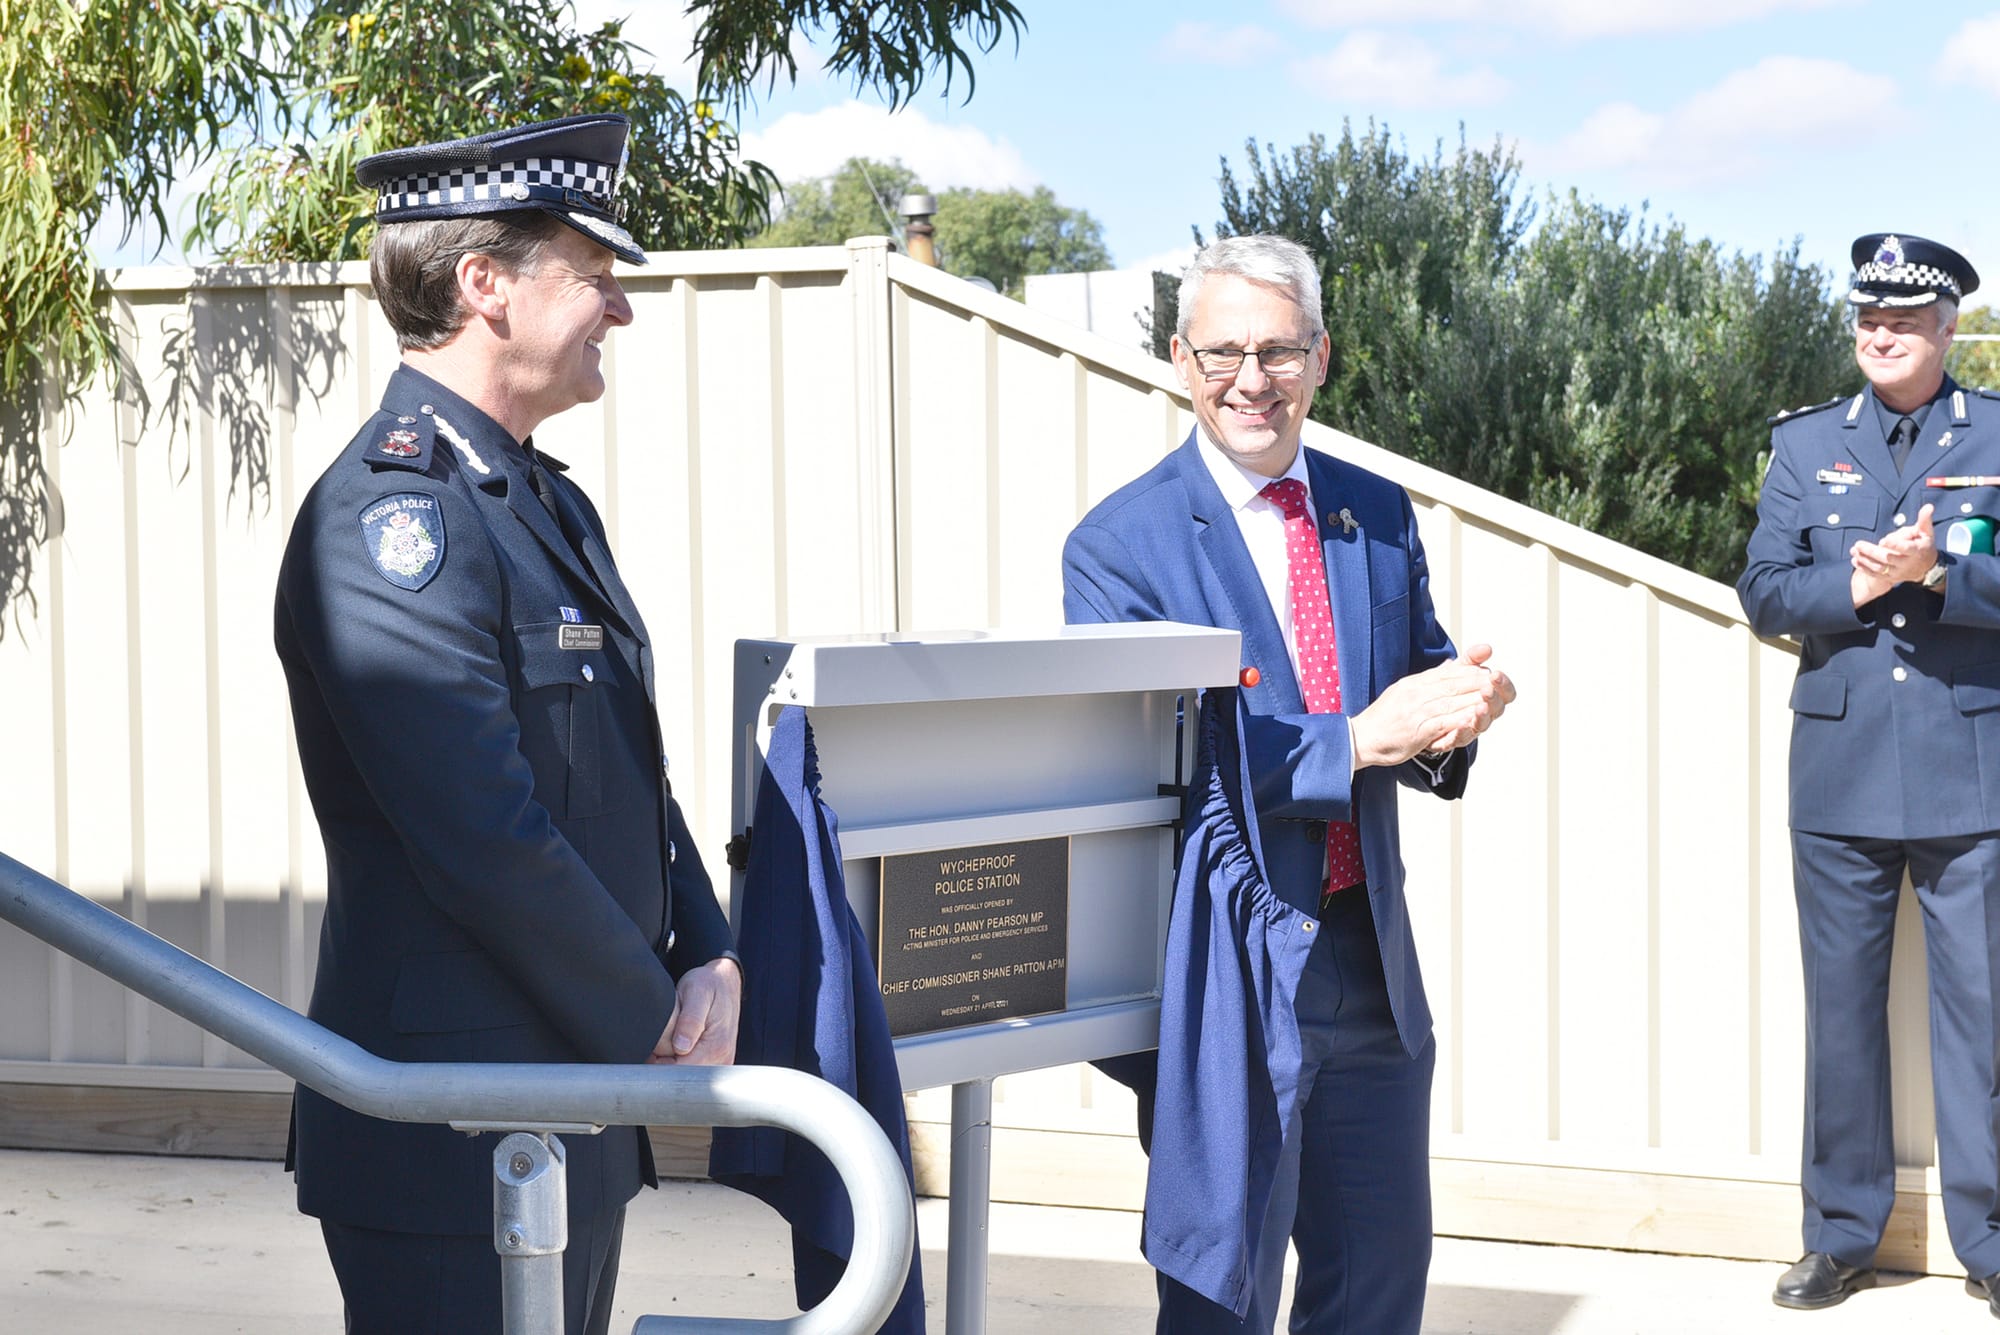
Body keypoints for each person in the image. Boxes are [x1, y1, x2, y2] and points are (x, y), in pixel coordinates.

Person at [272, 113, 741, 1335]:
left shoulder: (534, 498)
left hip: (562, 1092)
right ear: (485, 286)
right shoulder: (391, 521)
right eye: (596, 279)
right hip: (453, 1121)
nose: (620, 313)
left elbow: (630, 769)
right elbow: (481, 829)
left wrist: (706, 948)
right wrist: (651, 1016)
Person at [1062, 233, 1514, 1334]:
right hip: (1227, 973)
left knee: (1375, 1286)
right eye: (1222, 352)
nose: (1248, 380)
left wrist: (1455, 718)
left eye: (1276, 351)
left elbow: (1417, 681)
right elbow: (1157, 767)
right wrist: (1355, 741)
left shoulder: (1372, 511)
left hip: (1369, 962)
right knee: (1224, 1293)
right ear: (1178, 358)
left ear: (1320, 358)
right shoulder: (1119, 547)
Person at [1738, 232, 2000, 1317]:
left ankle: (1987, 1243)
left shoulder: (1994, 431)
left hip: (1968, 767)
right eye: (1865, 321)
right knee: (1837, 1015)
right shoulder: (1804, 444)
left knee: (1982, 1016)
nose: (1879, 336)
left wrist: (1940, 573)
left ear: (1945, 328)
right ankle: (1838, 1237)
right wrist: (1849, 585)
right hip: (1839, 771)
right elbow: (1760, 591)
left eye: (1901, 321)